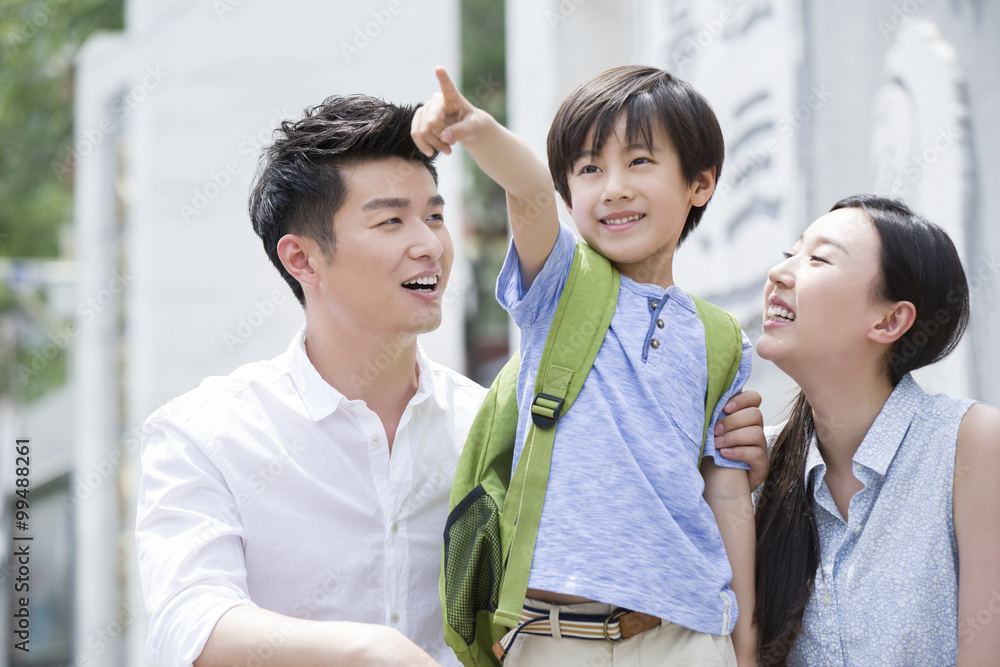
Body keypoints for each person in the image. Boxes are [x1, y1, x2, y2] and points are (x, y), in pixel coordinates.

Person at [134, 94, 769, 667]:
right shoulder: (206, 433)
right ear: (302, 258)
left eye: (434, 218)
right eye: (391, 222)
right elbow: (193, 623)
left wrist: (719, 454)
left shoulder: (495, 421)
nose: (430, 246)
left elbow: (646, 492)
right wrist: (367, 649)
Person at [413, 65, 757, 666]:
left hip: (687, 637)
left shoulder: (721, 336)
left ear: (699, 183)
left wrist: (744, 642)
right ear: (569, 194)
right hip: (549, 639)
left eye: (640, 162)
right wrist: (479, 130)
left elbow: (725, 492)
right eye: (589, 169)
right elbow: (527, 192)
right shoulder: (561, 283)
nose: (614, 187)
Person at [754, 195, 1000, 666]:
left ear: (890, 320)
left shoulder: (970, 443)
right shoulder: (756, 465)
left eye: (818, 259)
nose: (780, 273)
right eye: (791, 254)